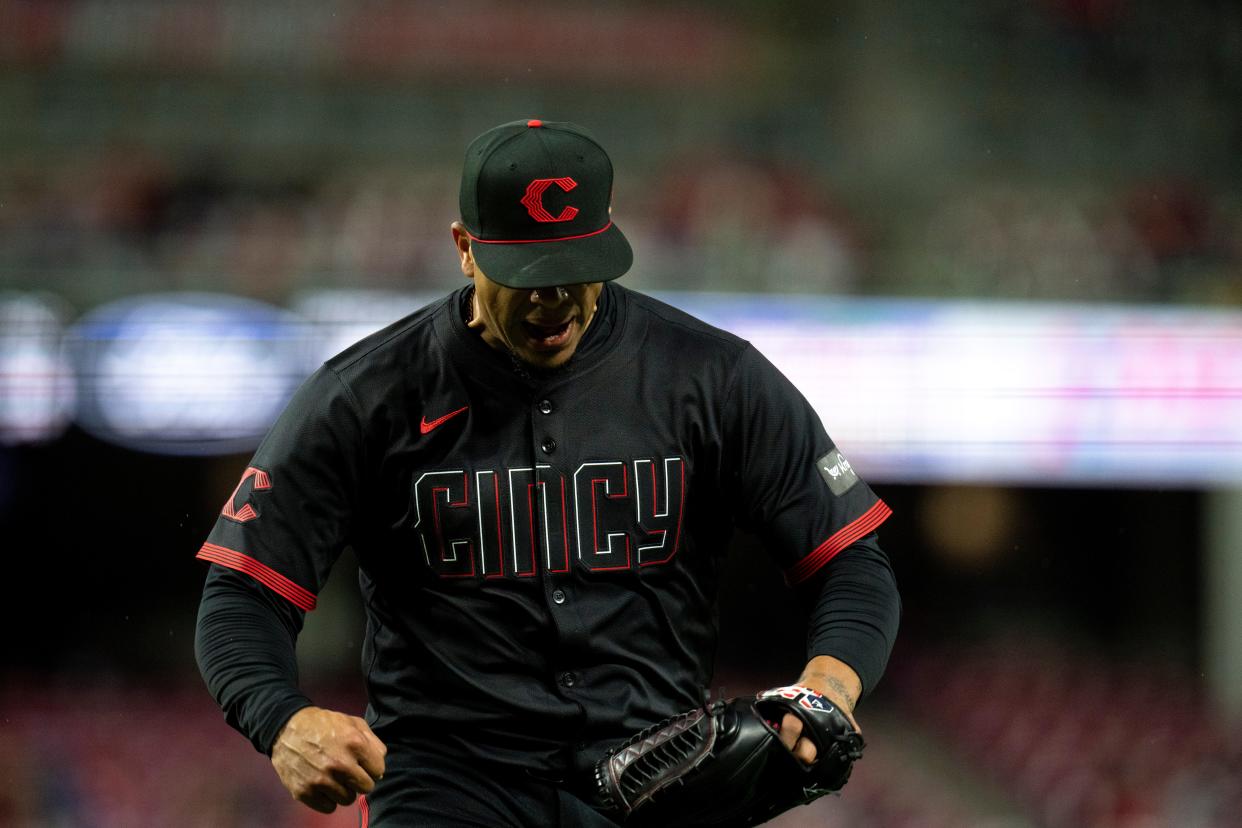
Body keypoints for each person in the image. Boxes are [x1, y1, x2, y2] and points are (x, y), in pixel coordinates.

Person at [194, 118, 900, 826]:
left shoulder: (713, 377)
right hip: (450, 783)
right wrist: (282, 720)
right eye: (527, 276)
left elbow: (850, 561)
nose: (551, 299)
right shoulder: (365, 396)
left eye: (573, 270)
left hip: (661, 775)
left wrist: (830, 683)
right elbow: (243, 594)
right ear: (465, 250)